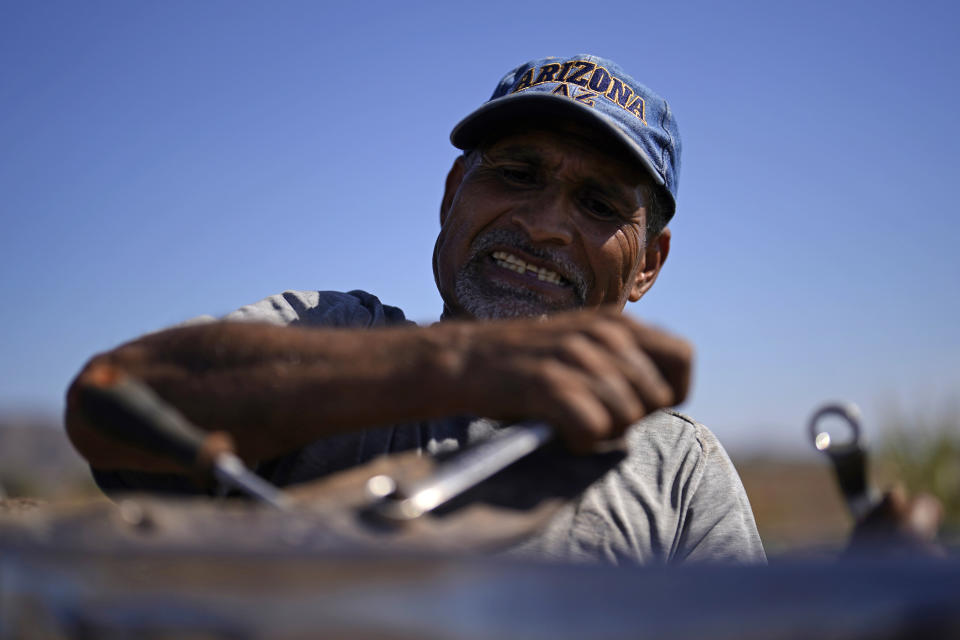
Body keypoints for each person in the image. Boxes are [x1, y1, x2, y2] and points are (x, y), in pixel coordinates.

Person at [66, 54, 767, 565]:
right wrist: (464, 364)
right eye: (517, 174)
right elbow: (110, 399)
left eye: (599, 205)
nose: (546, 224)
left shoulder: (680, 468)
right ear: (452, 195)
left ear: (648, 264)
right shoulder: (332, 336)